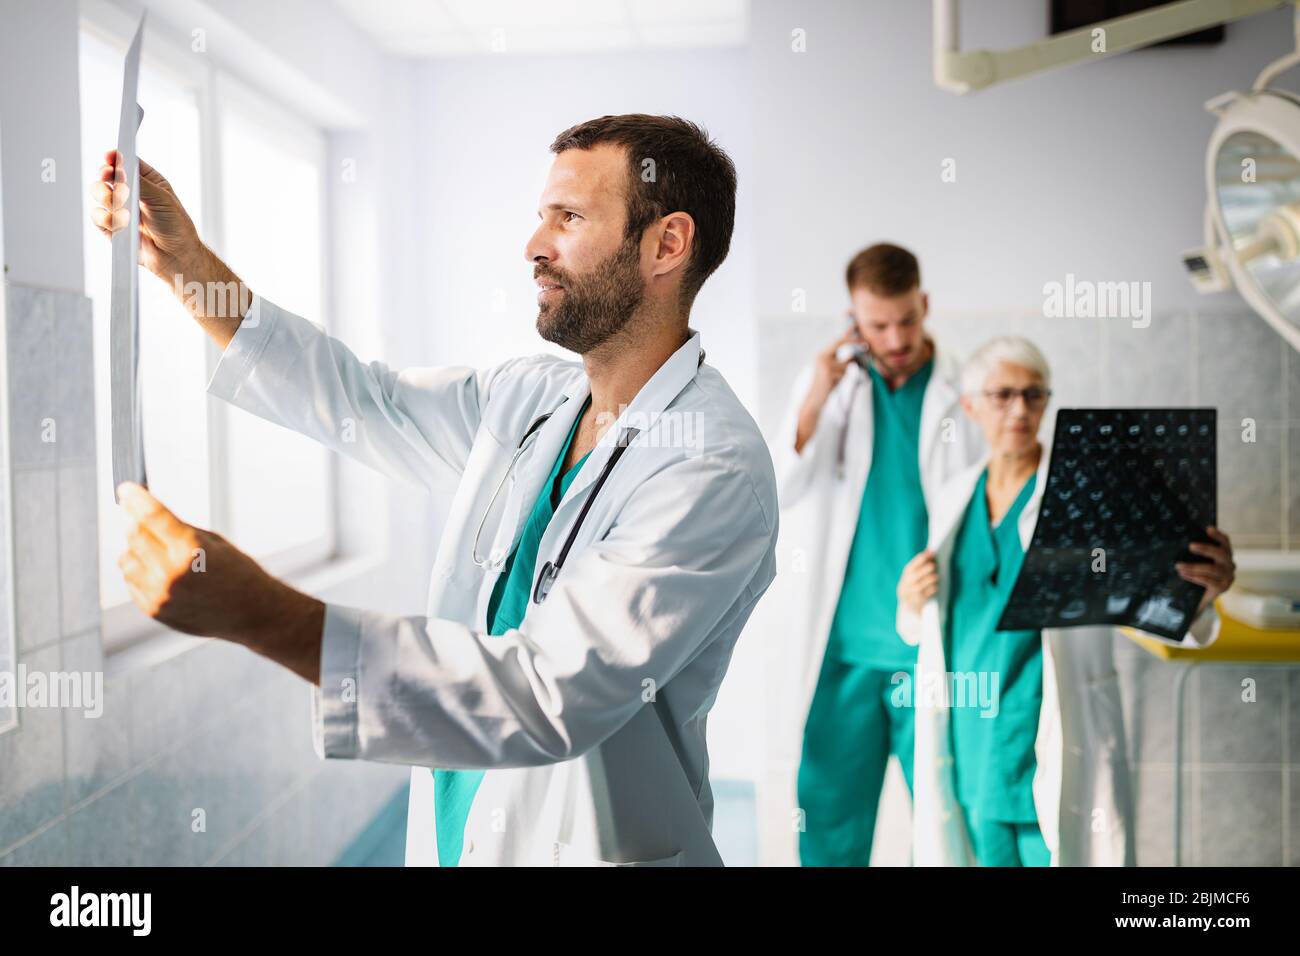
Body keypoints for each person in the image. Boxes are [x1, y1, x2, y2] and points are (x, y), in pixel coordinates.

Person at [91, 114, 778, 867]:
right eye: (540, 217)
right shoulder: (531, 398)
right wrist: (185, 264)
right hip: (462, 835)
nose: (534, 247)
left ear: (667, 245)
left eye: (569, 218)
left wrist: (259, 612)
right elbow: (361, 401)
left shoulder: (713, 467)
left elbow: (551, 695)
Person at [896, 336, 1236, 866]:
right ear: (970, 407)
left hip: (1048, 733)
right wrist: (911, 602)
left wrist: (1201, 590)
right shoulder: (953, 497)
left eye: (1034, 395)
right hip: (969, 744)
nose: (1020, 409)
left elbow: (1143, 601)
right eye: (1003, 395)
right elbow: (931, 625)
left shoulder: (1087, 496)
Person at [762, 243, 984, 866]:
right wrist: (815, 398)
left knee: (946, 822)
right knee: (829, 823)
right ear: (852, 320)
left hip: (930, 646)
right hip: (843, 651)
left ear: (926, 305)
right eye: (876, 325)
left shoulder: (964, 389)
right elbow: (779, 488)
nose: (893, 338)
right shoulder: (831, 387)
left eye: (906, 320)